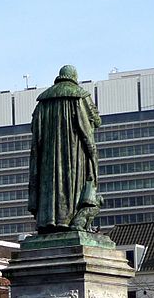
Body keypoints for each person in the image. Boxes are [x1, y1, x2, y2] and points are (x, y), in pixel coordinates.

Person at [27, 64, 102, 232]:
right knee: (71, 185)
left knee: (51, 185)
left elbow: (34, 129)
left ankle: (49, 221)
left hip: (47, 158)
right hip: (74, 154)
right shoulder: (80, 96)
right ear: (74, 78)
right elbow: (96, 121)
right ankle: (70, 220)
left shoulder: (42, 102)